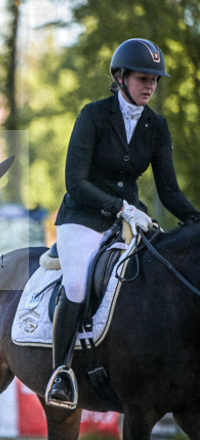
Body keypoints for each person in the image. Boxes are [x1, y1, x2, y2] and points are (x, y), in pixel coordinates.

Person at [46, 37, 199, 410]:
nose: (150, 85)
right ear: (120, 77)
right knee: (77, 283)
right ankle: (60, 373)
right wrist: (120, 207)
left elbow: (169, 191)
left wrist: (196, 219)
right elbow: (75, 182)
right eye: (143, 78)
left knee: (158, 275)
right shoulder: (93, 115)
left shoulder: (156, 126)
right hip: (82, 217)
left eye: (155, 80)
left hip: (131, 220)